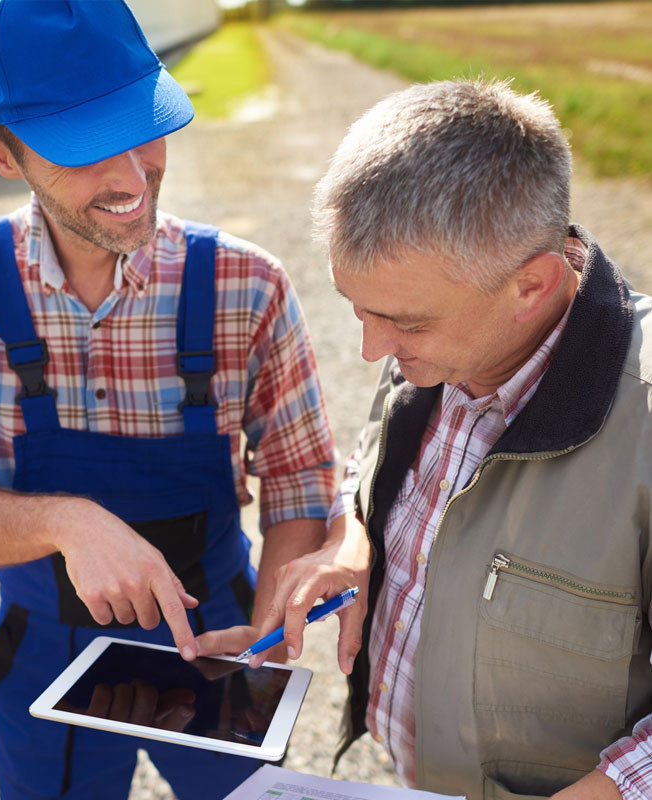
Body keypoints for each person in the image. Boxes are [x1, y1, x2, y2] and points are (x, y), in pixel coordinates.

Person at [0, 2, 335, 799]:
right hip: (42, 652)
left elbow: (300, 483)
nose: (133, 177)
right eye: (85, 148)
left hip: (218, 637)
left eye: (143, 126)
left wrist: (263, 635)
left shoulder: (248, 287)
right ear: (1, 152)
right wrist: (67, 523)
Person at [241, 79, 652, 799]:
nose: (371, 350)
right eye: (357, 309)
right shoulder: (439, 340)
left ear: (533, 285)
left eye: (405, 322)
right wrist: (354, 542)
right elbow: (372, 468)